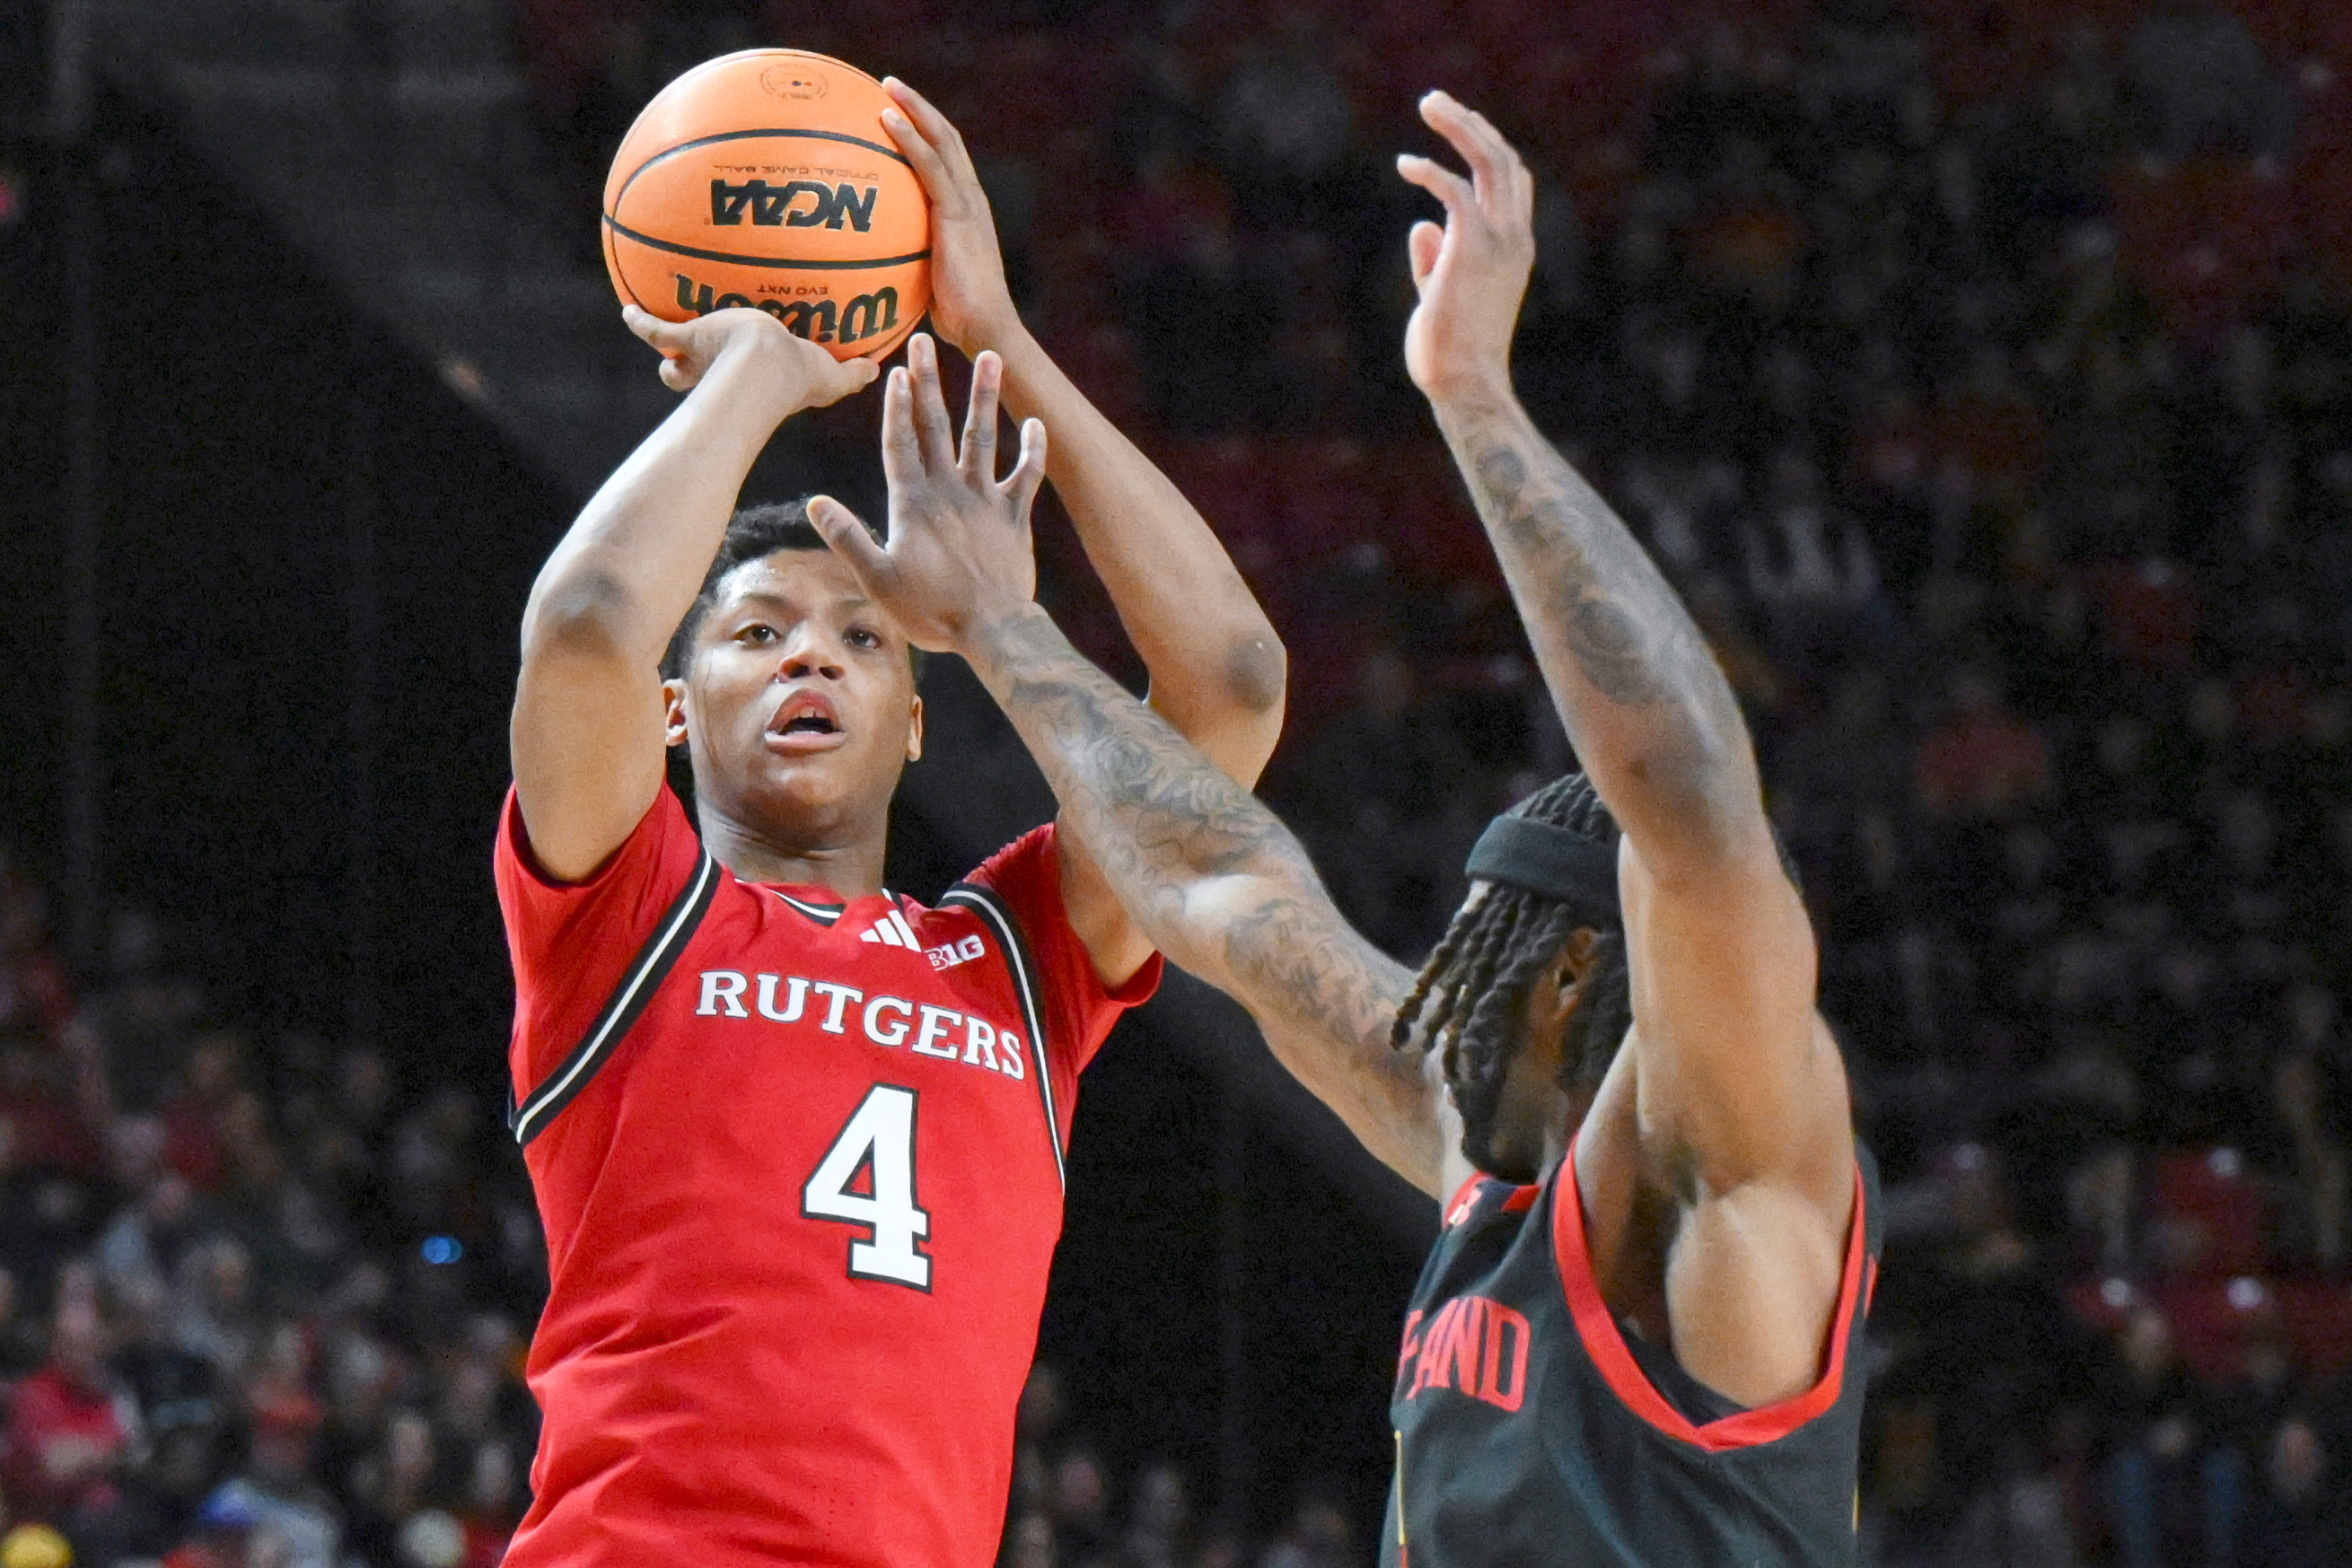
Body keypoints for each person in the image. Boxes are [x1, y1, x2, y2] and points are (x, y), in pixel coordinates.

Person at [811, 90, 1873, 1567]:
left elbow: (1688, 803)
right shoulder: (1479, 1148)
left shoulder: (1727, 1166)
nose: (1437, 970)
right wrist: (1000, 617)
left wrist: (1474, 400)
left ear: (1569, 977)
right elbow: (1220, 878)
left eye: (1477, 945)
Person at [494, 80, 1284, 1568]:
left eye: (861, 641)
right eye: (757, 634)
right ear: (678, 717)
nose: (810, 656)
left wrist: (1002, 350)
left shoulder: (1018, 956)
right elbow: (593, 625)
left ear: (918, 718)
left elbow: (1234, 685)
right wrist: (759, 370)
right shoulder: (627, 911)